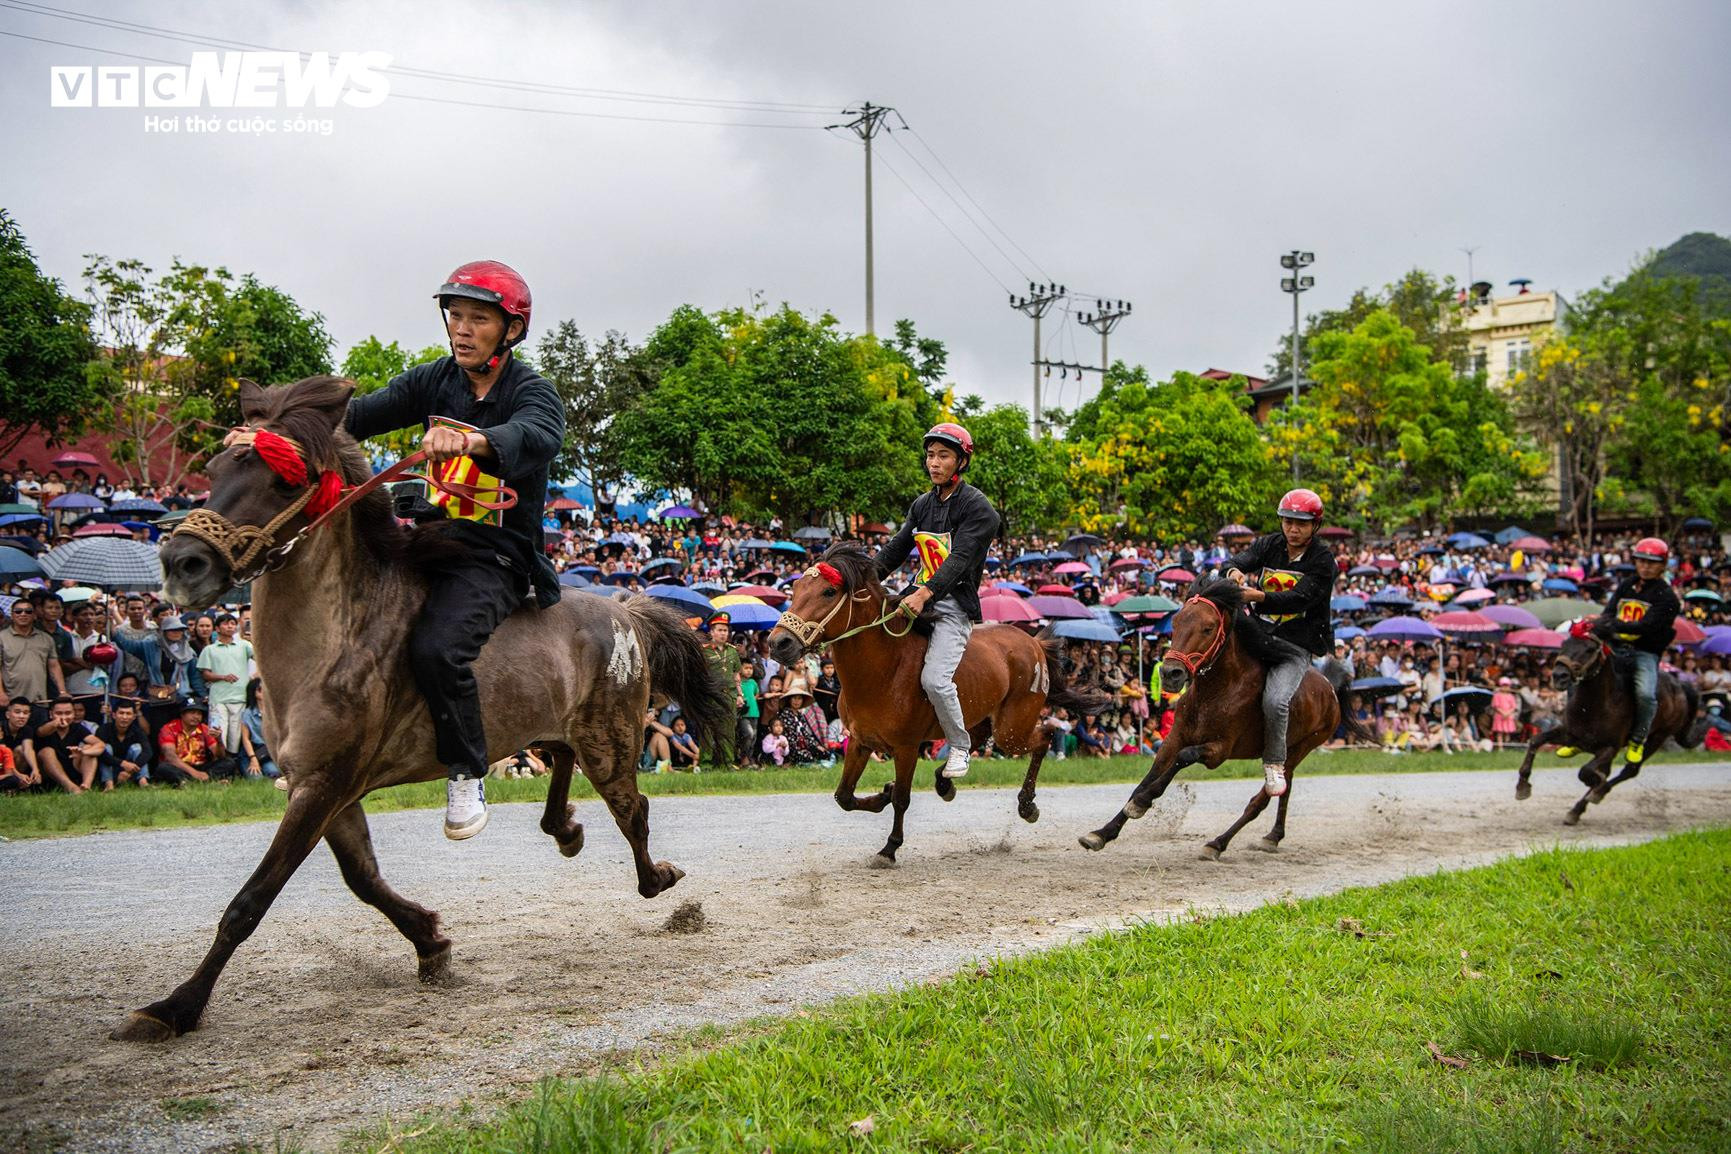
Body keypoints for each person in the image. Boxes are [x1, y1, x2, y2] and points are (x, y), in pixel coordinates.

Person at [343, 260, 565, 839]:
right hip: (422, 541)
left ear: (510, 330)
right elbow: (357, 416)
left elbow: (536, 436)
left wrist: (471, 439)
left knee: (439, 649)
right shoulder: (430, 380)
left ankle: (466, 769)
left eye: (478, 319)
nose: (462, 329)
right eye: (456, 316)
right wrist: (288, 426)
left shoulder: (533, 393)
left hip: (492, 555)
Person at [872, 422, 1000, 779]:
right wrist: (860, 580)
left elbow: (959, 559)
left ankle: (959, 745)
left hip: (953, 608)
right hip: (918, 598)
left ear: (961, 461)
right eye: (930, 455)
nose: (934, 462)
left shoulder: (979, 508)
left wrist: (925, 592)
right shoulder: (922, 505)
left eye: (943, 455)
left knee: (934, 681)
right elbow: (896, 549)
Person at [1224, 488, 1338, 798]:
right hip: (1259, 633)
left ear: (1315, 525)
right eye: (1287, 522)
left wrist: (1257, 596)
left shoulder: (1323, 560)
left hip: (1295, 644)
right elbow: (1240, 559)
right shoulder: (1269, 544)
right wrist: (1234, 571)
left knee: (1276, 701)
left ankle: (1274, 762)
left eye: (1301, 523)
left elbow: (1298, 598)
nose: (1293, 529)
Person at [1560, 537, 1680, 766]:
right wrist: (1599, 623)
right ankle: (1575, 736)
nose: (1645, 566)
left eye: (1652, 562)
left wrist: (1611, 625)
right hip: (1615, 648)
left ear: (1663, 565)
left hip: (1644, 652)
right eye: (1641, 561)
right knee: (1578, 676)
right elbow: (1609, 612)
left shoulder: (1668, 598)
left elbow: (1646, 627)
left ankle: (1637, 738)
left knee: (1645, 693)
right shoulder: (1626, 585)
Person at [195, 613, 254, 755]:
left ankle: (231, 766)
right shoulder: (209, 649)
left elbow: (259, 658)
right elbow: (205, 674)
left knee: (235, 736)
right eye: (226, 624)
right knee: (218, 733)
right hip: (218, 699)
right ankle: (219, 764)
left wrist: (253, 640)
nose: (230, 626)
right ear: (217, 628)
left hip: (240, 697)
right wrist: (223, 677)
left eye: (233, 624)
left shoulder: (245, 645)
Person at [155, 698, 238, 785]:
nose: (196, 716)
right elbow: (170, 757)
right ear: (182, 714)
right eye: (192, 713)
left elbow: (220, 756)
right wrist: (195, 773)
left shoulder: (204, 728)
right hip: (179, 767)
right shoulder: (169, 728)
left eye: (199, 714)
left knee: (229, 762)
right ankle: (209, 782)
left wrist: (219, 740)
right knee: (163, 768)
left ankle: (189, 782)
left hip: (200, 766)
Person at [0, 598, 65, 704]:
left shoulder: (46, 638)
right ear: (12, 615)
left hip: (40, 700)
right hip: (10, 701)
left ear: (34, 615)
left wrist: (62, 692)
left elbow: (54, 666)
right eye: (18, 611)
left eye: (28, 611)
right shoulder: (1, 638)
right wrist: (1, 694)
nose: (23, 614)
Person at [700, 614, 741, 770]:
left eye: (725, 630)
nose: (724, 633)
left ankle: (728, 763)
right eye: (720, 630)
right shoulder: (704, 651)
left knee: (728, 730)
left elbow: (736, 674)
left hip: (728, 695)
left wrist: (739, 695)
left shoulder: (732, 651)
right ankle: (706, 764)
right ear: (712, 632)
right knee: (708, 730)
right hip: (710, 695)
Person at [94, 698, 152, 789]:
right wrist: (122, 763)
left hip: (129, 771)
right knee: (105, 747)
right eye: (121, 713)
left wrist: (129, 771)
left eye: (128, 714)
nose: (124, 717)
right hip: (110, 768)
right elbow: (100, 754)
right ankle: (108, 785)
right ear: (114, 715)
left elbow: (148, 752)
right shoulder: (103, 729)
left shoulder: (137, 731)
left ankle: (143, 782)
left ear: (133, 717)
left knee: (137, 748)